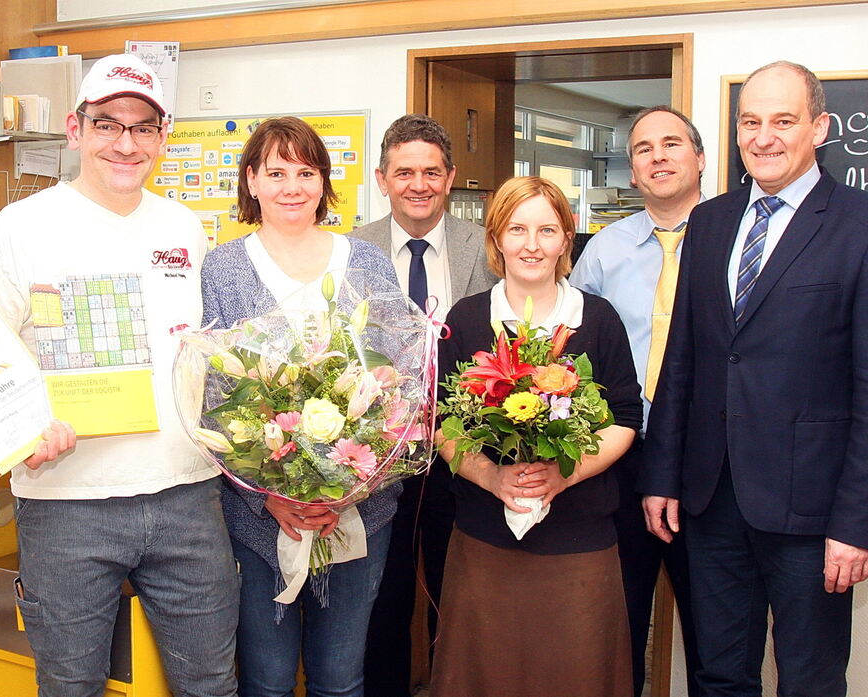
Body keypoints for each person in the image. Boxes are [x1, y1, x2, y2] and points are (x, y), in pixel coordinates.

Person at [0, 54, 239, 697]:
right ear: (75, 129)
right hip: (67, 500)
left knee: (210, 684)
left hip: (188, 495)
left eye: (143, 127)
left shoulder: (184, 227)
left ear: (163, 137)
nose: (125, 143)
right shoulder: (16, 231)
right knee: (71, 686)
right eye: (107, 123)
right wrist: (20, 431)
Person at [639, 60, 868, 697]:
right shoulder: (709, 223)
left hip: (814, 514)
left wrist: (857, 524)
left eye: (783, 121)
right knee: (717, 675)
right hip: (711, 501)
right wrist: (662, 475)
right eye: (750, 122)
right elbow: (682, 360)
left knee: (810, 681)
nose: (763, 138)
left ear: (819, 128)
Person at [200, 116, 401, 697]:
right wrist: (268, 496)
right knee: (266, 679)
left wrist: (350, 487)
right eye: (276, 172)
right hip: (261, 516)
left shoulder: (366, 262)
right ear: (251, 181)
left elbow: (397, 380)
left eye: (306, 172)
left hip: (359, 509)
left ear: (324, 182)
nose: (292, 187)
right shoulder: (223, 267)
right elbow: (213, 398)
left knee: (340, 677)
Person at [430, 176, 641, 697]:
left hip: (579, 543)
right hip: (485, 540)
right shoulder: (466, 320)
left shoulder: (599, 319)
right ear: (496, 238)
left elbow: (624, 419)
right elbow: (440, 422)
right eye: (517, 229)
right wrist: (493, 478)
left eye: (547, 230)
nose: (532, 244)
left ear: (567, 238)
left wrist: (563, 475)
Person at [350, 114, 497, 697]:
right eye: (404, 172)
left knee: (455, 588)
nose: (419, 184)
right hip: (374, 455)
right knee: (380, 595)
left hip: (462, 449)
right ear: (382, 179)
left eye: (432, 172)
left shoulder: (485, 245)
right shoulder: (351, 249)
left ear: (450, 177)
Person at [569, 105, 705, 697]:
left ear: (700, 157)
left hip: (707, 460)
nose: (658, 157)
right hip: (621, 454)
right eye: (644, 149)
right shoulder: (604, 249)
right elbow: (570, 350)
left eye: (671, 143)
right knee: (619, 623)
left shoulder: (733, 239)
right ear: (632, 169)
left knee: (714, 629)